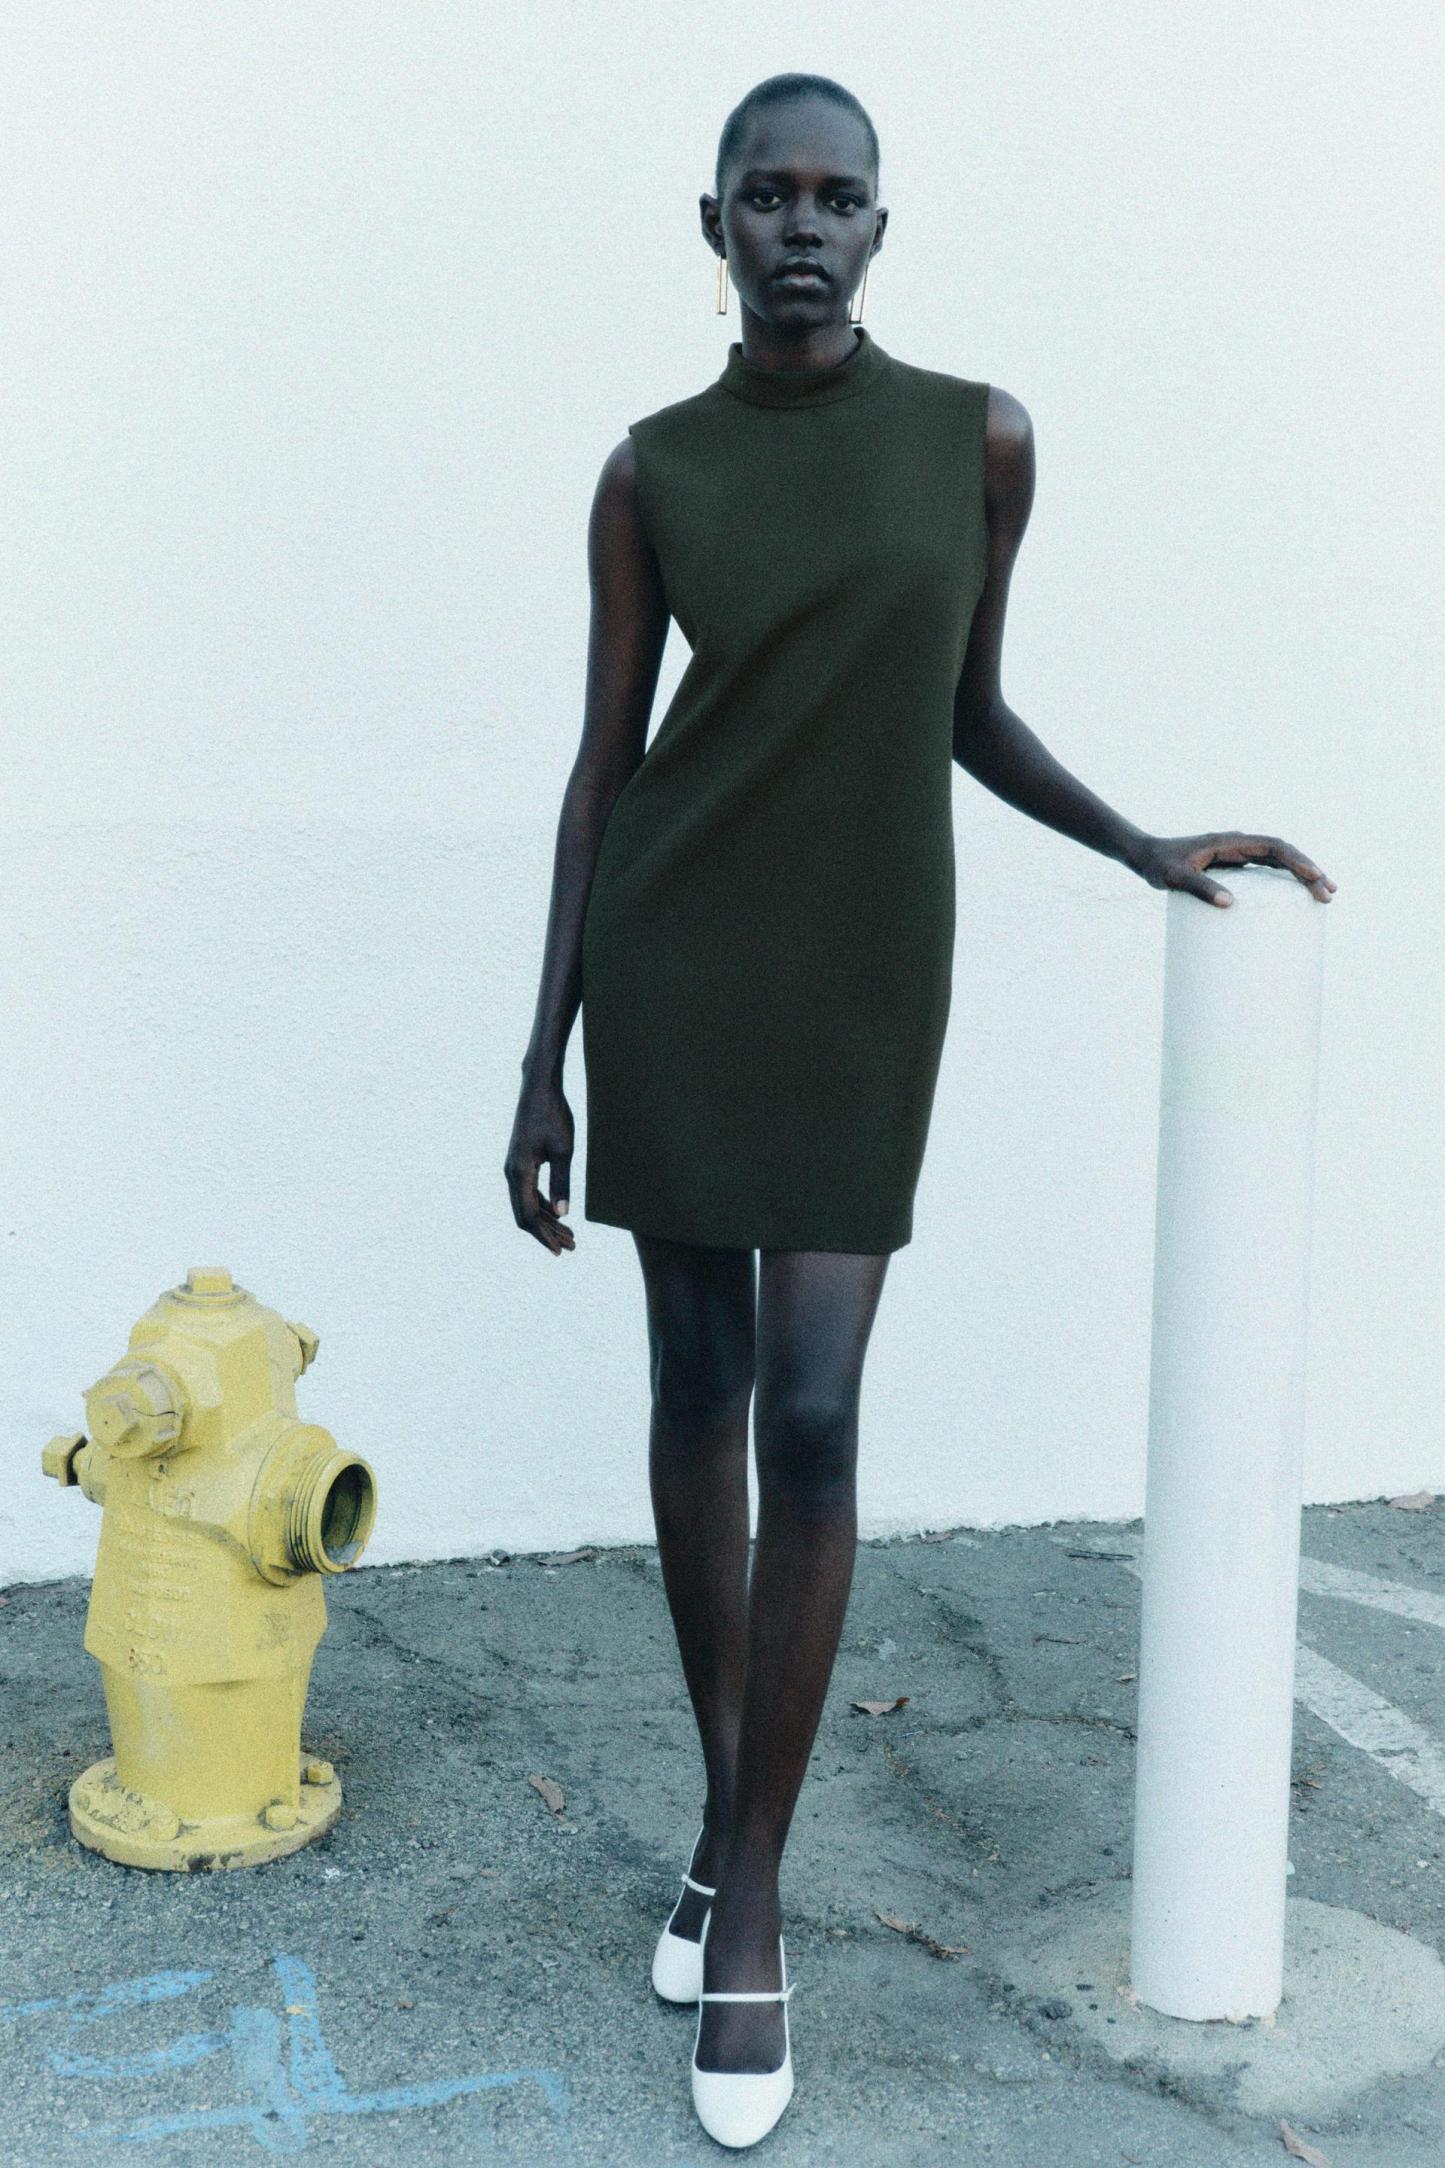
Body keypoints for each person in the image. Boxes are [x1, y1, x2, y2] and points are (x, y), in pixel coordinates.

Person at [505, 71, 1335, 2150]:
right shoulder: (650, 471)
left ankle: (745, 1878)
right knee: (699, 1388)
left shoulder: (978, 439)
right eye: (764, 197)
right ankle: (738, 1851)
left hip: (865, 973)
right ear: (710, 225)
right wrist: (540, 1058)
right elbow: (604, 768)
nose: (800, 227)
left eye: (836, 197)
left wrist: (1139, 843)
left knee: (809, 1413)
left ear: (882, 226)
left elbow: (964, 709)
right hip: (676, 959)